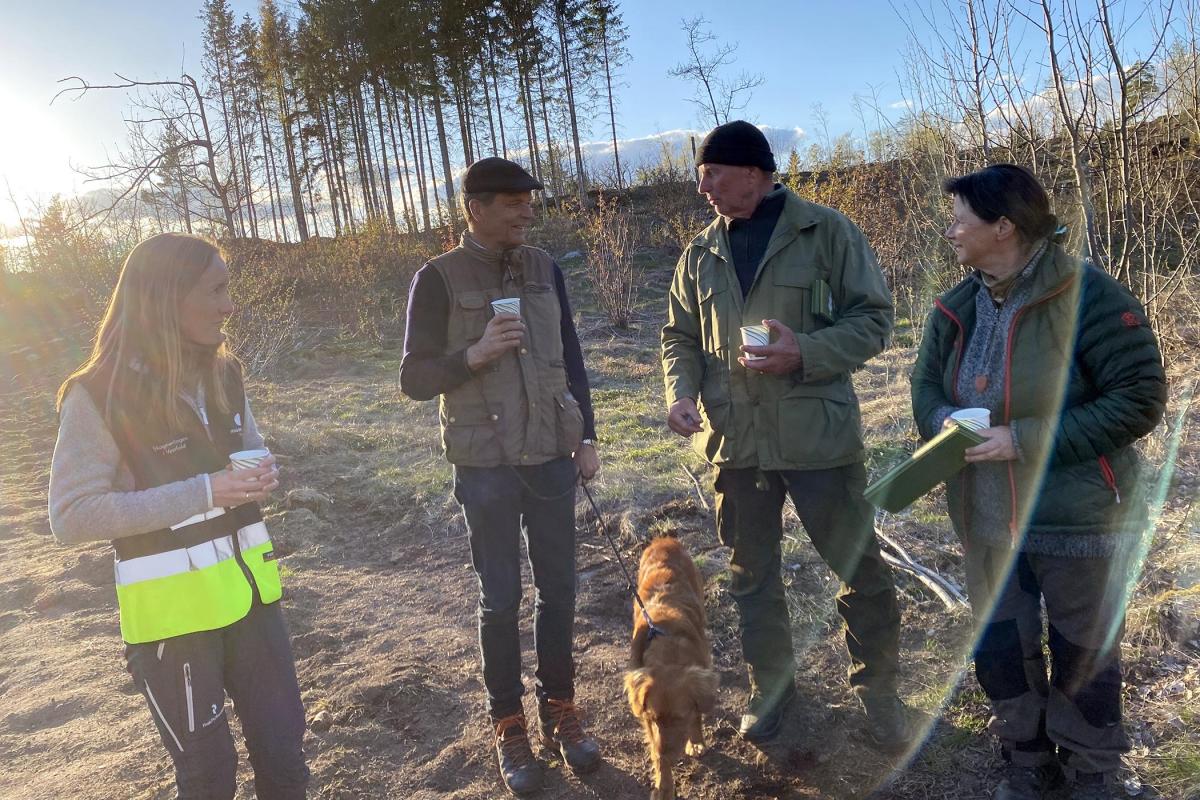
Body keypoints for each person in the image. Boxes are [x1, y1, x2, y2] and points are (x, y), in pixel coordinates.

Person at [911, 164, 1167, 800]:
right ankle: (1026, 760)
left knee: (1084, 651)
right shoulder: (955, 305)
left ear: (1004, 227)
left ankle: (1090, 773)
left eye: (959, 221)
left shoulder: (1092, 297)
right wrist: (944, 420)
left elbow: (1138, 399)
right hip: (984, 516)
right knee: (1001, 645)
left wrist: (1023, 439)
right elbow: (923, 390)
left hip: (1076, 516)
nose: (949, 233)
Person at [661, 120, 911, 749]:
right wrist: (680, 392)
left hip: (816, 440)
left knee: (860, 568)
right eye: (702, 176)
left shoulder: (825, 230)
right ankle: (771, 695)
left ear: (753, 171)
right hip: (737, 446)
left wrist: (808, 351)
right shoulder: (699, 253)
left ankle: (879, 692)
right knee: (751, 578)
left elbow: (875, 318)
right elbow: (679, 337)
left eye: (712, 174)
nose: (704, 189)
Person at [48, 233, 309, 799]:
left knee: (286, 761)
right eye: (215, 290)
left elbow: (252, 451)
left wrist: (262, 473)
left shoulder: (225, 373)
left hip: (254, 605)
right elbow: (71, 516)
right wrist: (206, 490)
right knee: (209, 778)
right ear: (165, 298)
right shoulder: (97, 395)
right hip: (174, 624)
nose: (229, 306)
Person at [399, 157, 601, 796]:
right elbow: (413, 378)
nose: (527, 210)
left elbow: (571, 356)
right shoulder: (435, 278)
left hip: (549, 455)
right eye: (512, 201)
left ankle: (561, 709)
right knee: (501, 599)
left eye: (530, 201)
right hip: (483, 465)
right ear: (474, 208)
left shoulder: (546, 270)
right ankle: (509, 722)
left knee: (561, 590)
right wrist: (475, 354)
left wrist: (587, 434)